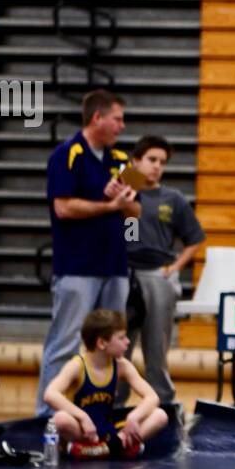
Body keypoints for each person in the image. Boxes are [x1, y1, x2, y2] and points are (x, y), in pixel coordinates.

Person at [36, 90, 140, 416]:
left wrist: (124, 202)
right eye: (117, 119)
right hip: (77, 266)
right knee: (64, 342)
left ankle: (104, 408)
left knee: (113, 343)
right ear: (98, 118)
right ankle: (46, 415)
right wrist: (110, 205)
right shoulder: (66, 155)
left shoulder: (123, 161)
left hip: (115, 266)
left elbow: (136, 212)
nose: (122, 126)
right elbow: (64, 208)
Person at [125, 135, 206, 404]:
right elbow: (130, 235)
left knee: (156, 347)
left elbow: (195, 239)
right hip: (125, 274)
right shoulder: (125, 190)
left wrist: (175, 268)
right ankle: (113, 403)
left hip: (158, 275)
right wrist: (127, 182)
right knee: (119, 344)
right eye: (151, 160)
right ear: (136, 160)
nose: (157, 166)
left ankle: (162, 404)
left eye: (162, 162)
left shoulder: (173, 198)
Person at [44, 308, 168, 460]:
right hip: (84, 430)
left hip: (108, 430)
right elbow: (50, 394)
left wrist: (134, 417)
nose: (128, 342)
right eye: (121, 338)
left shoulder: (122, 366)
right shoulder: (78, 366)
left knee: (160, 416)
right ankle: (119, 448)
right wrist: (83, 417)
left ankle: (100, 450)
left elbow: (152, 397)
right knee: (61, 419)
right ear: (102, 343)